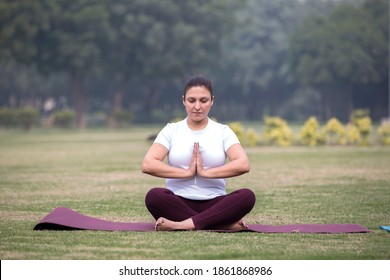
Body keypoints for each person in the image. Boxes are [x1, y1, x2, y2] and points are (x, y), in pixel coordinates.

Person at [142, 74, 256, 231]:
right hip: (178, 201)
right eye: (191, 100)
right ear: (183, 100)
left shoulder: (223, 131)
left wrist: (205, 173)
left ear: (212, 101)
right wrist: (187, 173)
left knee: (247, 196)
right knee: (154, 196)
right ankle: (221, 223)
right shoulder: (171, 130)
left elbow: (243, 164)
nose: (197, 106)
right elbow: (148, 164)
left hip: (215, 202)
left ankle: (181, 225)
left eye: (203, 100)